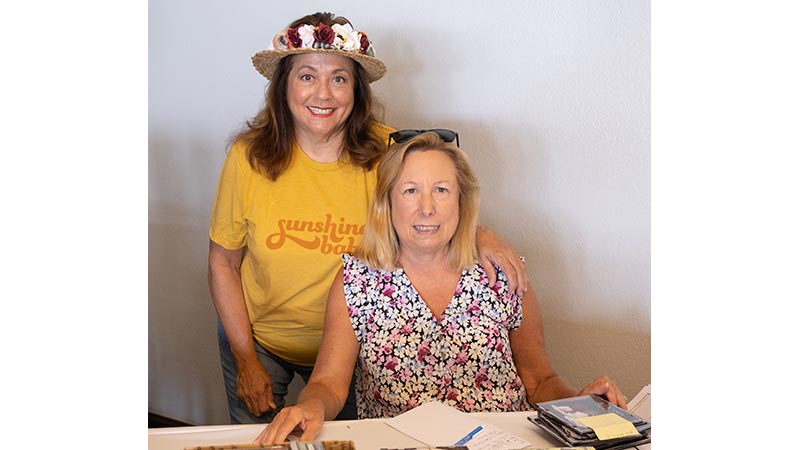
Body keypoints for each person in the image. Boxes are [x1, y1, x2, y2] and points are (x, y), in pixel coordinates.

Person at [208, 12, 527, 425]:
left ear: (356, 91)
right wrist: (246, 358)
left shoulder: (388, 150)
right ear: (283, 86)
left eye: (339, 79)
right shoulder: (247, 158)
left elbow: (434, 205)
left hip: (356, 350)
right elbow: (224, 263)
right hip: (260, 341)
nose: (323, 94)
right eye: (307, 76)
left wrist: (482, 235)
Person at [254, 131, 627, 444]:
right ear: (387, 202)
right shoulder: (357, 280)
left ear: (462, 201)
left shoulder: (503, 273)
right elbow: (329, 384)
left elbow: (540, 379)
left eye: (442, 190)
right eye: (410, 191)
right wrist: (311, 405)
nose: (427, 208)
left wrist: (579, 405)